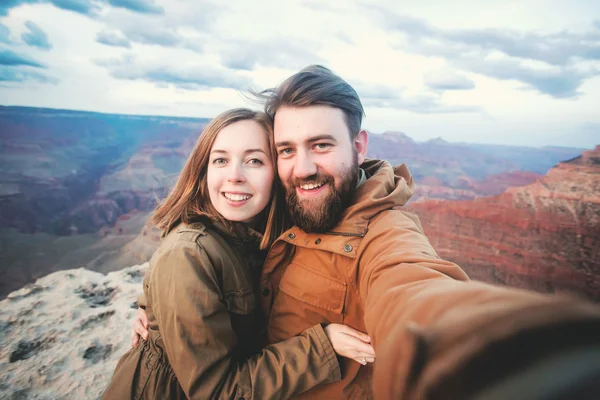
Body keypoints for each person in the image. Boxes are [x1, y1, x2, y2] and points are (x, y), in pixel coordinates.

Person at [134, 68, 600, 399]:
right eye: (286, 151)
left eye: (321, 145)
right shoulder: (284, 207)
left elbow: (414, 287)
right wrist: (158, 311)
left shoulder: (385, 232)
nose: (304, 168)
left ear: (358, 146)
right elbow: (197, 258)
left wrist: (497, 353)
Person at [102, 108, 376, 400]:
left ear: (279, 173)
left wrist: (151, 306)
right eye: (220, 160)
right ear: (203, 169)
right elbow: (219, 392)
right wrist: (323, 347)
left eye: (254, 161)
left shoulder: (262, 236)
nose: (234, 176)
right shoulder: (188, 255)